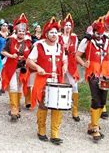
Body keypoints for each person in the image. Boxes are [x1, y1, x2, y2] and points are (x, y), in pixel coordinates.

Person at [27, 17, 67, 145]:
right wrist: (38, 67)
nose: (54, 35)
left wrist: (65, 65)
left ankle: (55, 133)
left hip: (57, 80)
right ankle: (41, 130)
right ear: (46, 34)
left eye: (56, 32)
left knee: (58, 105)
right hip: (44, 81)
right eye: (51, 32)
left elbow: (64, 59)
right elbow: (29, 61)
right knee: (43, 105)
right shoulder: (39, 46)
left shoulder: (60, 46)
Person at [76, 17, 109, 142]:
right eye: (97, 32)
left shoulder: (107, 40)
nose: (100, 34)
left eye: (102, 31)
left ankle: (93, 123)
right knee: (96, 98)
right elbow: (77, 55)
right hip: (93, 72)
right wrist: (83, 64)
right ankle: (95, 127)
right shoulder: (87, 41)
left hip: (105, 72)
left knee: (103, 101)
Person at [1, 13, 32, 121]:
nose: (21, 33)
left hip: (22, 67)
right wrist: (11, 55)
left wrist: (26, 58)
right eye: (20, 31)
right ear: (16, 31)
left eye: (23, 31)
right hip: (11, 67)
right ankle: (14, 110)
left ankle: (17, 107)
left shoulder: (28, 43)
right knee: (13, 86)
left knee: (19, 87)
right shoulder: (11, 41)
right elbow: (3, 51)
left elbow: (32, 55)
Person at [59, 13, 80, 122]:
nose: (68, 27)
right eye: (66, 25)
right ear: (63, 26)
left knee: (74, 85)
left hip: (71, 63)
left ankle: (75, 110)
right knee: (61, 83)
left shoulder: (74, 37)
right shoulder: (58, 36)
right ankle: (61, 105)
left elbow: (75, 51)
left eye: (69, 25)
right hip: (60, 62)